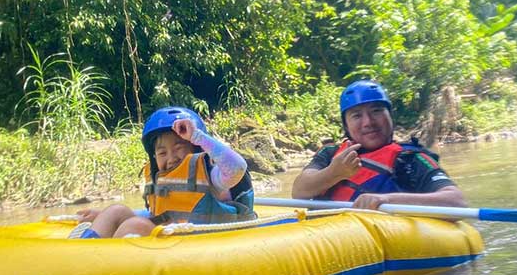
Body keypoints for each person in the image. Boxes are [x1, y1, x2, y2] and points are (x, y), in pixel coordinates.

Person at [75, 107, 255, 238]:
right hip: (170, 241)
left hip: (201, 246)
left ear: (196, 148)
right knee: (116, 211)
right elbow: (160, 215)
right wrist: (102, 216)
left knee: (136, 225)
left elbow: (237, 167)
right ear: (154, 157)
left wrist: (197, 136)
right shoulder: (160, 180)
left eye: (179, 148)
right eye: (162, 153)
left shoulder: (212, 176)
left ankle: (101, 266)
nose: (171, 158)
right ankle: (84, 252)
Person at [291, 80, 466, 210]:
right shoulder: (330, 154)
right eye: (357, 116)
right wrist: (334, 173)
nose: (368, 122)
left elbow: (456, 201)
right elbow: (299, 192)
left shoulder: (410, 160)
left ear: (390, 116)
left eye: (376, 111)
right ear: (346, 126)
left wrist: (386, 200)